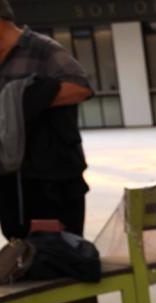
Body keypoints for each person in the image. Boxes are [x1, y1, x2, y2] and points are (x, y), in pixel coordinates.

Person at [0, 0, 93, 240]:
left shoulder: (42, 49)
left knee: (62, 255)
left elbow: (81, 88)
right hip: (12, 183)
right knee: (22, 260)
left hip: (54, 182)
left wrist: (22, 101)